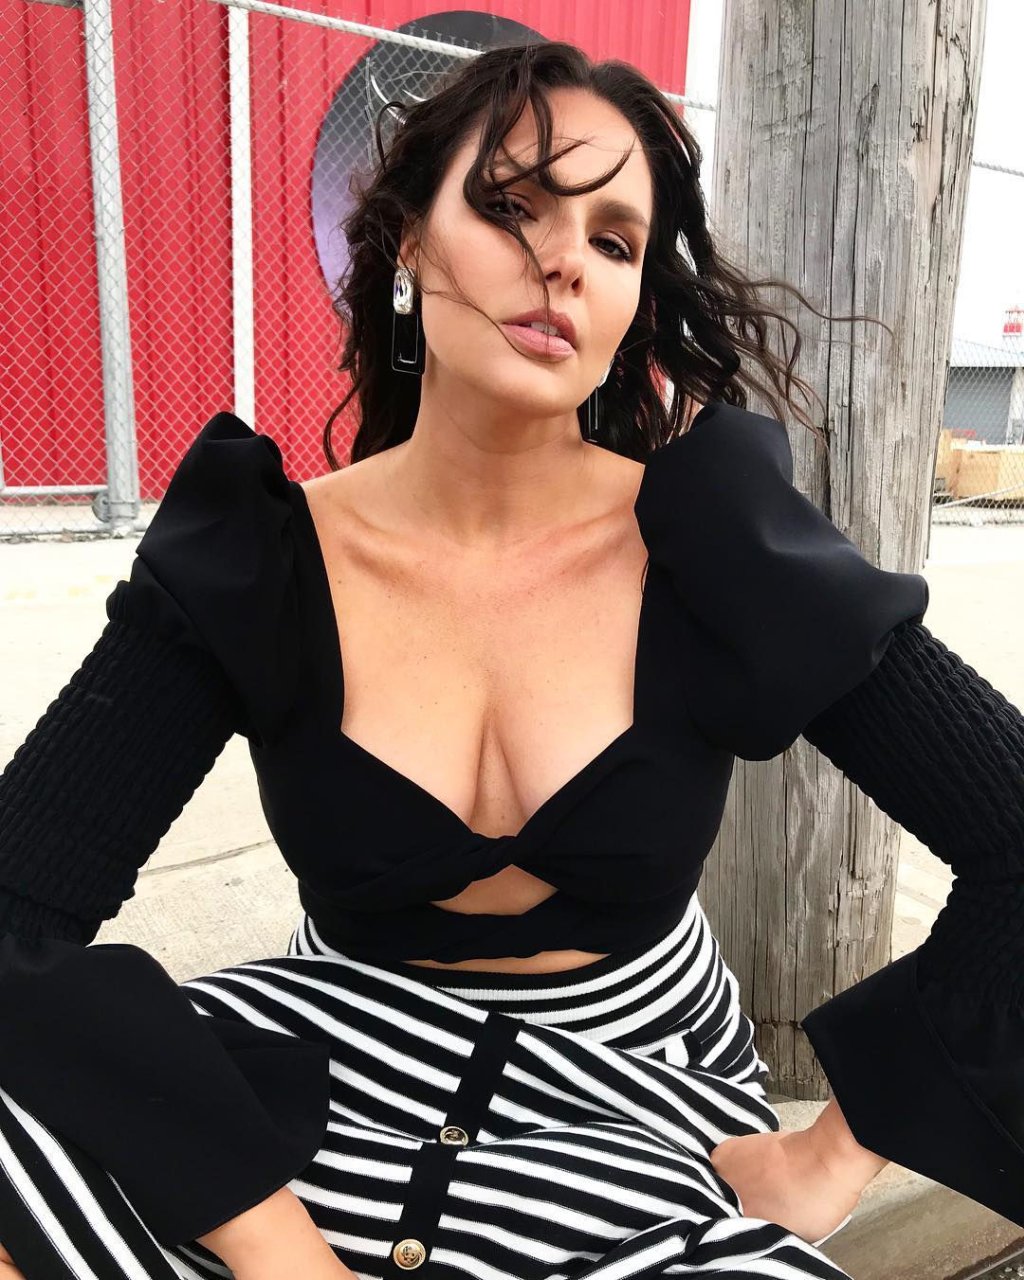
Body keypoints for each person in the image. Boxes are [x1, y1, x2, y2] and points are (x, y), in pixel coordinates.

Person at [0, 38, 1022, 1280]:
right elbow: (17, 909)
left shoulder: (711, 548)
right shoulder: (259, 558)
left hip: (637, 1091)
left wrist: (835, 1148)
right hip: (332, 1059)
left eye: (614, 240)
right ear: (407, 242)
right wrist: (278, 1252)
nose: (563, 260)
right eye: (511, 205)